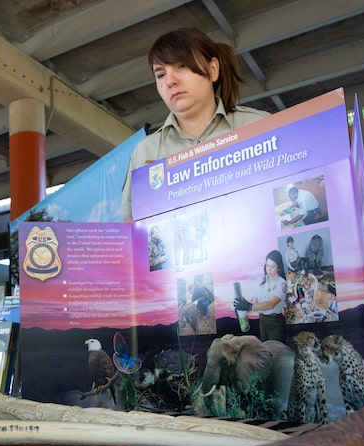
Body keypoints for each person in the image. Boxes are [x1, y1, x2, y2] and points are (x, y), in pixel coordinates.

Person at [120, 27, 270, 221]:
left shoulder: (260, 127)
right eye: (160, 74)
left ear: (212, 70)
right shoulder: (146, 152)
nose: (170, 81)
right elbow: (131, 225)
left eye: (181, 65)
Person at [233, 250, 288, 342]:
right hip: (262, 321)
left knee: (276, 351)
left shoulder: (282, 283)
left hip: (275, 322)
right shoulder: (261, 281)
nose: (269, 269)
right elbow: (255, 301)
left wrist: (250, 306)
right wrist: (243, 305)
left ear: (278, 267)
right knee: (265, 350)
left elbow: (271, 304)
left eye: (272, 267)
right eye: (267, 265)